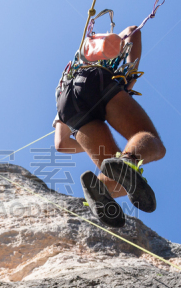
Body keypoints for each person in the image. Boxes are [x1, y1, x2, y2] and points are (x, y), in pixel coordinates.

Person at [52, 25, 165, 228]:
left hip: (66, 106)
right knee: (154, 143)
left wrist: (88, 145)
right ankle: (128, 161)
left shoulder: (68, 75)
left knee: (119, 178)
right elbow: (133, 31)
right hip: (96, 80)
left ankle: (100, 188)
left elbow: (60, 143)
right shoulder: (97, 59)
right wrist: (130, 75)